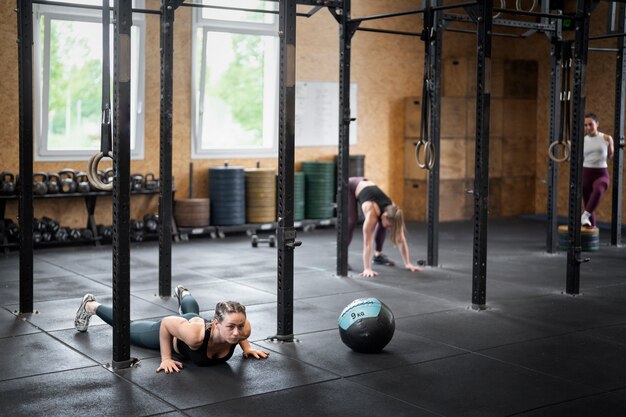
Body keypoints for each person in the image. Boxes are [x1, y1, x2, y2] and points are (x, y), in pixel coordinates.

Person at [74, 285, 269, 374]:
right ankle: (91, 305)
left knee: (192, 312)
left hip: (194, 322)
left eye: (240, 326)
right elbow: (167, 323)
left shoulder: (243, 329)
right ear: (217, 323)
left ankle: (183, 292)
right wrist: (166, 359)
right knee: (128, 329)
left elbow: (239, 331)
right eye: (231, 327)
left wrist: (247, 348)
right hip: (180, 331)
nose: (237, 332)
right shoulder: (195, 337)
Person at [348, 177, 422, 277]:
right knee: (351, 221)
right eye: (389, 226)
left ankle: (378, 255)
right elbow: (367, 244)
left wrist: (407, 263)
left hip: (367, 186)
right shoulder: (371, 213)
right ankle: (342, 257)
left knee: (382, 225)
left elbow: (401, 239)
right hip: (351, 186)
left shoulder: (394, 212)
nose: (389, 229)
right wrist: (367, 269)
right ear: (385, 215)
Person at [581, 113, 614, 228]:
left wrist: (611, 147)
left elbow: (610, 156)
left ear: (597, 124)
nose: (588, 127)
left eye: (591, 124)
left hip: (601, 174)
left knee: (599, 190)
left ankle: (584, 216)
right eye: (586, 125)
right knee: (589, 203)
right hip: (586, 173)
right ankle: (590, 231)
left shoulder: (606, 138)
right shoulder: (582, 140)